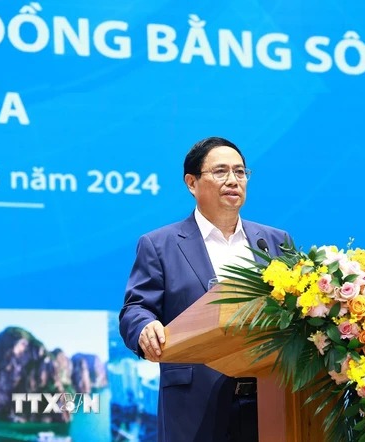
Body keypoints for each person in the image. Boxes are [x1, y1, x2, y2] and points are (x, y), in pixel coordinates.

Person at [119, 136, 291, 442]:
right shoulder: (160, 245)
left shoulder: (275, 242)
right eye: (221, 171)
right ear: (192, 182)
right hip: (195, 404)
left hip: (268, 399)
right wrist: (144, 328)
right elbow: (136, 308)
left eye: (240, 172)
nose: (233, 180)